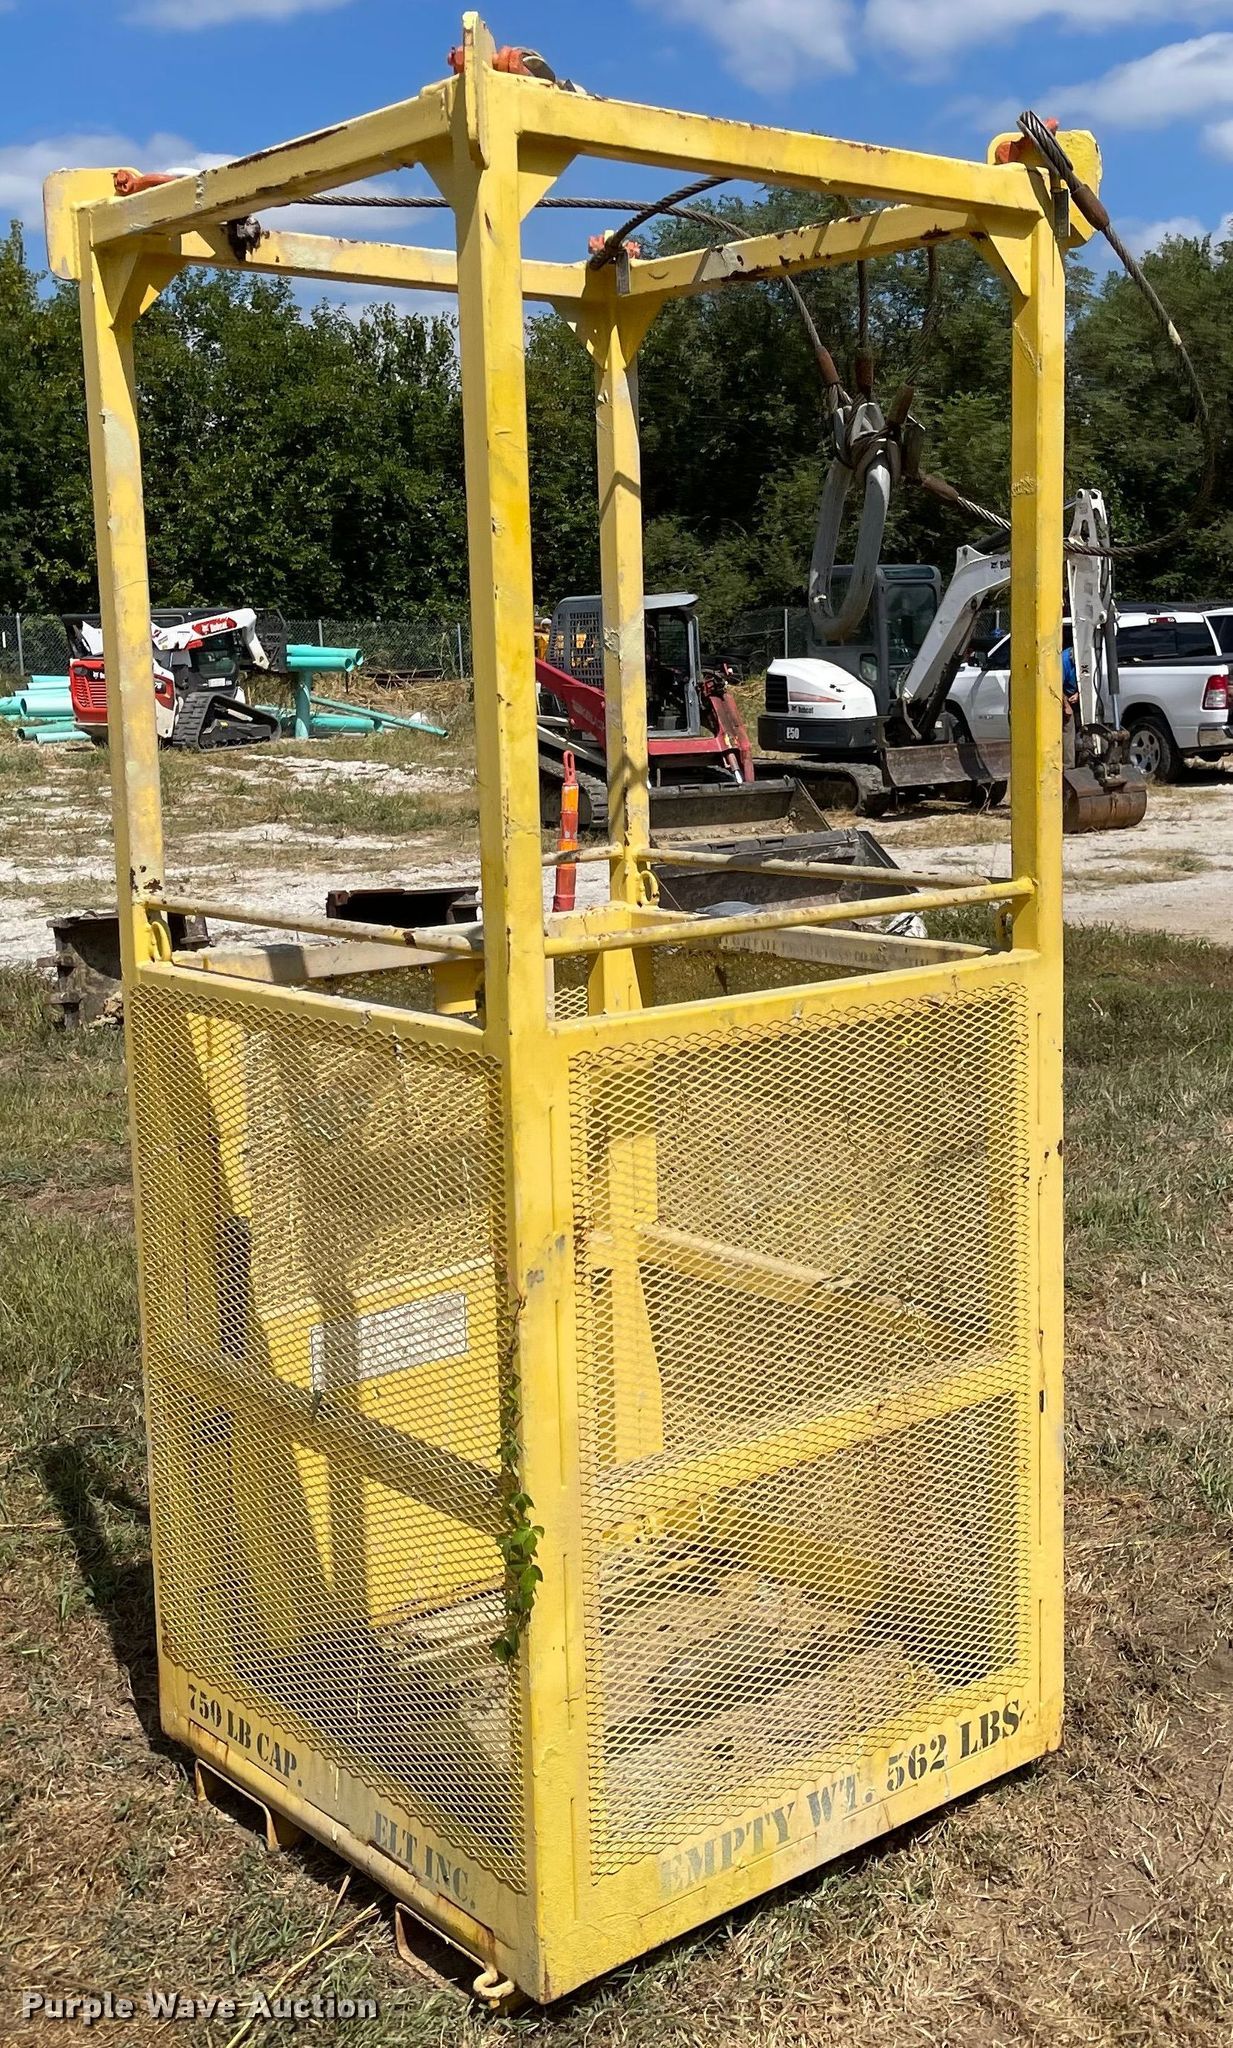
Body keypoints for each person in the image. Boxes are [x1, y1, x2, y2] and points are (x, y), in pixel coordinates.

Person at [1061, 641, 1079, 769]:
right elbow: (1056, 685)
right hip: (1063, 693)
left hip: (1078, 692)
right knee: (1068, 727)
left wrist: (1079, 694)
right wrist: (1066, 706)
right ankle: (1068, 766)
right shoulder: (1064, 660)